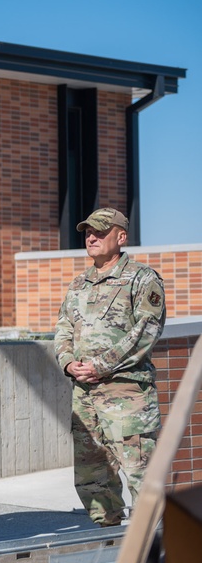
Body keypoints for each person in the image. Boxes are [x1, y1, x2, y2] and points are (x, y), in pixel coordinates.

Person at [54, 207, 166, 527]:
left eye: (100, 232)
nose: (92, 237)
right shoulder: (79, 284)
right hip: (84, 393)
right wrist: (68, 363)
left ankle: (154, 544)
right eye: (88, 232)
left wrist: (101, 365)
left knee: (140, 470)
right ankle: (106, 535)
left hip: (126, 391)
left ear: (121, 237)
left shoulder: (143, 278)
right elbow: (63, 328)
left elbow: (146, 330)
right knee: (93, 472)